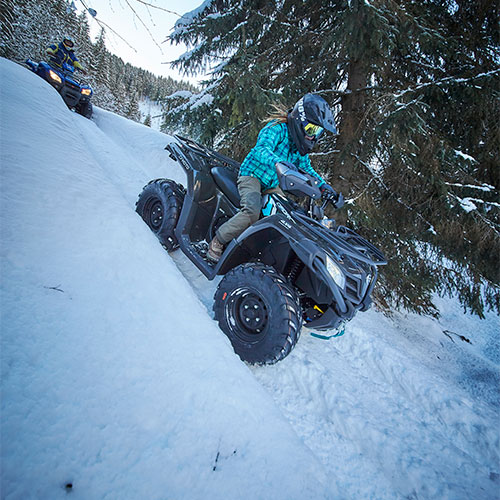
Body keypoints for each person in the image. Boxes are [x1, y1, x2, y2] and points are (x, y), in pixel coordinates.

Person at [208, 93, 341, 261]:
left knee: (283, 217)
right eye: (311, 129)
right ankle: (218, 240)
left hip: (273, 184)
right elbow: (261, 149)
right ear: (300, 120)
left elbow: (307, 168)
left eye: (318, 131)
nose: (312, 136)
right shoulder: (276, 129)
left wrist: (324, 187)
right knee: (252, 212)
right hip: (252, 176)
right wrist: (279, 163)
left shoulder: (298, 148)